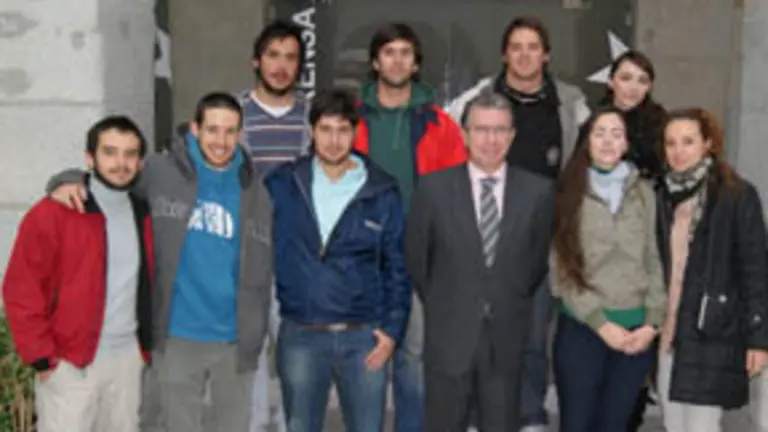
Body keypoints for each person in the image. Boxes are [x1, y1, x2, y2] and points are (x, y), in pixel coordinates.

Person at [46, 92, 274, 432]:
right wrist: (66, 180)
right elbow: (112, 177)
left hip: (235, 340)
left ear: (240, 134)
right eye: (212, 130)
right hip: (177, 335)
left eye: (230, 131)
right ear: (195, 129)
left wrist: (257, 329)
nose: (221, 141)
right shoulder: (160, 170)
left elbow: (264, 265)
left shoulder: (256, 190)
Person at [446, 18, 589, 431]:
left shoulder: (570, 103)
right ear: (504, 54)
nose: (524, 55)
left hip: (541, 242)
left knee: (531, 337)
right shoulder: (477, 99)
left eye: (533, 47)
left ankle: (528, 415)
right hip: (485, 237)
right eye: (516, 47)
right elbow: (448, 149)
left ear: (546, 55)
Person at [406, 91, 554, 432]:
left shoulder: (538, 192)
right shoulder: (433, 189)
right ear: (465, 134)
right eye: (482, 129)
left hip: (506, 339)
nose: (491, 139)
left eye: (500, 130)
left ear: (513, 136)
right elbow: (419, 263)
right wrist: (455, 300)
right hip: (450, 339)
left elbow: (534, 265)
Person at [265, 89, 412, 432]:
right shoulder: (283, 184)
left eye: (342, 130)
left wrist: (392, 331)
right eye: (325, 129)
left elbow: (397, 267)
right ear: (311, 132)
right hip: (301, 334)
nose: (333, 140)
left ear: (355, 132)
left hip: (363, 339)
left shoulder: (380, 190)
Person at [3, 116, 153, 432]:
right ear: (90, 158)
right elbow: (22, 288)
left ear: (140, 163)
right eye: (110, 152)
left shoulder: (144, 211)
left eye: (130, 154)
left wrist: (143, 351)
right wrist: (43, 359)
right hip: (71, 364)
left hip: (127, 363)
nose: (120, 163)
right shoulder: (55, 212)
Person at [352, 22, 467, 432]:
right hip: (363, 255)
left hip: (421, 255)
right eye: (389, 52)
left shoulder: (441, 125)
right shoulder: (350, 121)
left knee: (414, 360)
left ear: (416, 63)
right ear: (375, 61)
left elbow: (458, 196)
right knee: (366, 356)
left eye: (405, 52)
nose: (397, 60)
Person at [549, 107, 665, 432]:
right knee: (577, 424)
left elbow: (655, 260)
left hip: (635, 336)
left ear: (626, 143)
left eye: (616, 133)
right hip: (583, 329)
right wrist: (601, 325)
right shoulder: (566, 193)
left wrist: (652, 323)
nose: (607, 141)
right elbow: (561, 271)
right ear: (586, 141)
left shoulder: (644, 194)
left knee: (615, 425)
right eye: (599, 133)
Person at [656, 107, 768, 432]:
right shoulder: (662, 195)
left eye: (688, 141)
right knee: (674, 424)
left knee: (701, 427)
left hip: (713, 332)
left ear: (708, 143)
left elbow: (755, 270)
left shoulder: (736, 195)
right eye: (671, 143)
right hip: (670, 332)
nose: (678, 151)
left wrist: (758, 339)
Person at [240, 19, 310, 432]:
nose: (282, 66)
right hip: (246, 256)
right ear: (256, 60)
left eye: (291, 58)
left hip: (296, 258)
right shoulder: (231, 114)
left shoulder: (313, 118)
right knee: (248, 354)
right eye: (273, 55)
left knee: (294, 356)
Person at [598, 50, 666, 182]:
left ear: (649, 87)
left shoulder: (660, 124)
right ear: (610, 82)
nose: (633, 87)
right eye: (626, 78)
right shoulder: (595, 121)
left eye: (642, 81)